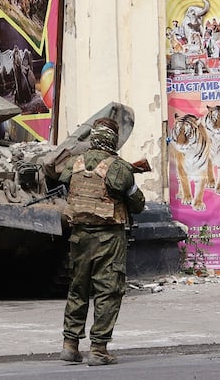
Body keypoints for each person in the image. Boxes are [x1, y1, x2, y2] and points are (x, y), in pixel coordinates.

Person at [58, 117, 145, 366]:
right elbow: (137, 204)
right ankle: (98, 349)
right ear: (113, 139)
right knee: (108, 290)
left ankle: (70, 345)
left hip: (78, 236)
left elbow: (67, 186)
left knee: (78, 288)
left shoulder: (75, 163)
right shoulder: (118, 167)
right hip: (108, 237)